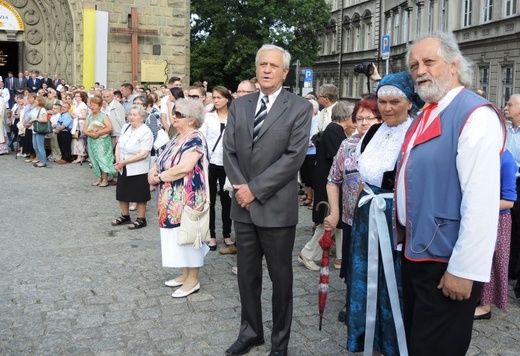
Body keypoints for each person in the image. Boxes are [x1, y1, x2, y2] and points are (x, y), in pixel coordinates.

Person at [397, 31, 504, 355]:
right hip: (418, 253)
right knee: (419, 345)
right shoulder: (426, 113)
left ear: (454, 65)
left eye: (429, 61)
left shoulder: (475, 114)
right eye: (414, 65)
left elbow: (482, 203)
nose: (420, 70)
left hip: (447, 261)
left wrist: (464, 270)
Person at [223, 44, 312, 356]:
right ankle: (250, 333)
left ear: (284, 72)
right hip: (243, 208)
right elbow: (229, 150)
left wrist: (254, 189)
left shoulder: (300, 107)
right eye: (262, 64)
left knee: (281, 280)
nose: (266, 70)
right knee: (247, 277)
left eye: (273, 66)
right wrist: (240, 187)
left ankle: (280, 344)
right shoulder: (241, 104)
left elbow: (293, 158)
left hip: (275, 208)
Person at [336, 72, 420, 356]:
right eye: (382, 101)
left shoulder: (415, 132)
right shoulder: (372, 132)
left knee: (393, 281)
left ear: (409, 102)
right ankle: (367, 342)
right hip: (366, 213)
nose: (387, 108)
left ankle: (394, 345)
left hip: (396, 217)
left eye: (395, 101)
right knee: (364, 276)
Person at [323, 96, 382, 322]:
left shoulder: (388, 144)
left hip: (378, 219)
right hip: (350, 218)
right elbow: (332, 179)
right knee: (350, 262)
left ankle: (376, 305)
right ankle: (352, 302)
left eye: (371, 118)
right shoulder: (347, 145)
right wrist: (335, 212)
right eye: (360, 118)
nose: (365, 123)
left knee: (375, 264)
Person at [147, 98, 209, 297]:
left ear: (191, 120)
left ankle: (193, 280)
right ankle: (185, 274)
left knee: (189, 236)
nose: (174, 117)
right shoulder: (177, 136)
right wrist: (152, 171)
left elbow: (185, 167)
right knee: (176, 236)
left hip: (188, 196)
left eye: (179, 114)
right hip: (171, 197)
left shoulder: (195, 138)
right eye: (174, 113)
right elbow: (162, 158)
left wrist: (160, 177)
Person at [298, 101, 354, 271]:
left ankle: (341, 258)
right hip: (328, 185)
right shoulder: (335, 131)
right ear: (346, 116)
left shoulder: (334, 130)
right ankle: (308, 253)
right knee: (327, 222)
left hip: (330, 183)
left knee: (338, 223)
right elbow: (342, 159)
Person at [474, 149, 517, 319]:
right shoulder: (484, 153)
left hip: (498, 219)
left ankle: (485, 307)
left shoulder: (506, 160)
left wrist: (479, 205)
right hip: (481, 216)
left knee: (492, 262)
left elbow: (509, 201)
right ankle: (478, 299)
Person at [199, 86, 234, 252]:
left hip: (228, 163)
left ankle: (227, 234)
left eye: (219, 97)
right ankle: (211, 234)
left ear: (227, 98)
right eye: (214, 97)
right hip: (211, 162)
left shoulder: (234, 116)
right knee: (210, 200)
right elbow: (202, 139)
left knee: (227, 200)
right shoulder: (208, 117)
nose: (216, 100)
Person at [112, 104, 153, 229]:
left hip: (138, 167)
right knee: (122, 192)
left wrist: (125, 162)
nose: (131, 117)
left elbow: (144, 154)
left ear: (142, 117)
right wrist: (118, 161)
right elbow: (119, 144)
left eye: (135, 115)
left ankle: (141, 218)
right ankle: (125, 215)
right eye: (130, 114)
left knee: (139, 194)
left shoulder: (146, 131)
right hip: (123, 165)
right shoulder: (126, 127)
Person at [505, 93, 520, 300]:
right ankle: (511, 269)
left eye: (510, 104)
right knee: (511, 227)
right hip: (507, 183)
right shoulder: (506, 130)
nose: (506, 107)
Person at [84, 96, 117, 187]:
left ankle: (105, 179)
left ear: (99, 106)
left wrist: (99, 133)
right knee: (94, 159)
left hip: (102, 141)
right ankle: (99, 178)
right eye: (91, 105)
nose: (92, 107)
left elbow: (109, 128)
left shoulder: (104, 116)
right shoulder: (89, 116)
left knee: (103, 159)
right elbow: (85, 129)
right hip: (92, 141)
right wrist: (90, 134)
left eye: (94, 105)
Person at [30, 96, 49, 167]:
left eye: (36, 100)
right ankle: (40, 159)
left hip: (40, 129)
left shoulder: (43, 110)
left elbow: (45, 120)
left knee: (40, 145)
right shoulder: (35, 109)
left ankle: (43, 161)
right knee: (35, 146)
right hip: (34, 128)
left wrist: (36, 119)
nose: (35, 101)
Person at [71, 90, 88, 164]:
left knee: (80, 140)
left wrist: (77, 116)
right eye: (75, 96)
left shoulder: (83, 105)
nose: (76, 97)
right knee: (76, 139)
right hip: (76, 124)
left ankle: (80, 156)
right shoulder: (76, 105)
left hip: (81, 123)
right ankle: (78, 155)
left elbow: (84, 116)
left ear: (81, 97)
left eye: (78, 96)